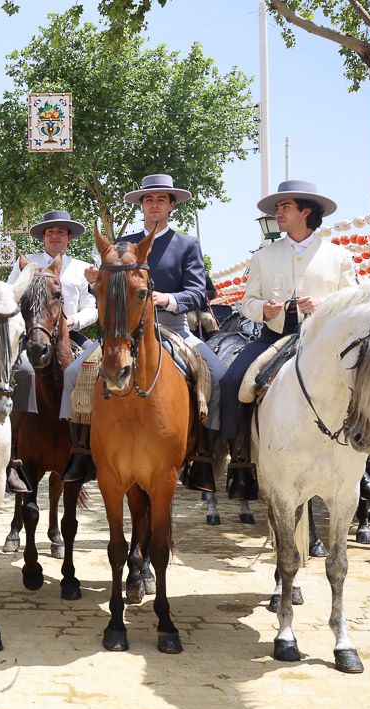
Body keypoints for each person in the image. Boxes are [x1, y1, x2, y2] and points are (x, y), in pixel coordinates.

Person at [58, 175, 227, 488]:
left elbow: (200, 292)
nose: (154, 205)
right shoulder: (123, 245)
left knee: (218, 376)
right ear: (141, 205)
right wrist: (97, 281)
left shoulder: (187, 245)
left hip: (173, 326)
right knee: (73, 374)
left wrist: (168, 299)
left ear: (171, 206)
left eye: (161, 199)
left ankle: (203, 457)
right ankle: (80, 452)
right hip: (125, 328)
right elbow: (108, 291)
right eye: (149, 200)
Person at [218, 179, 357, 498]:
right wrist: (263, 310)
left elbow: (352, 302)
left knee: (365, 382)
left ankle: (363, 467)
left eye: (285, 207)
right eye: (277, 208)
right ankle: (241, 464)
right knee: (231, 382)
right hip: (274, 337)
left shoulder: (339, 256)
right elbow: (247, 302)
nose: (278, 213)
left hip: (325, 341)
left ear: (306, 211)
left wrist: (324, 305)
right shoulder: (263, 256)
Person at [6, 209, 96, 492]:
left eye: (60, 231)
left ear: (69, 237)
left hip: (71, 333)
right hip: (31, 334)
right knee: (9, 375)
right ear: (43, 237)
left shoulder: (83, 268)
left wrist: (73, 321)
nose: (55, 236)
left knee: (97, 372)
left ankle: (86, 447)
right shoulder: (26, 265)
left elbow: (92, 306)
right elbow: (10, 296)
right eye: (49, 232)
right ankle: (11, 452)